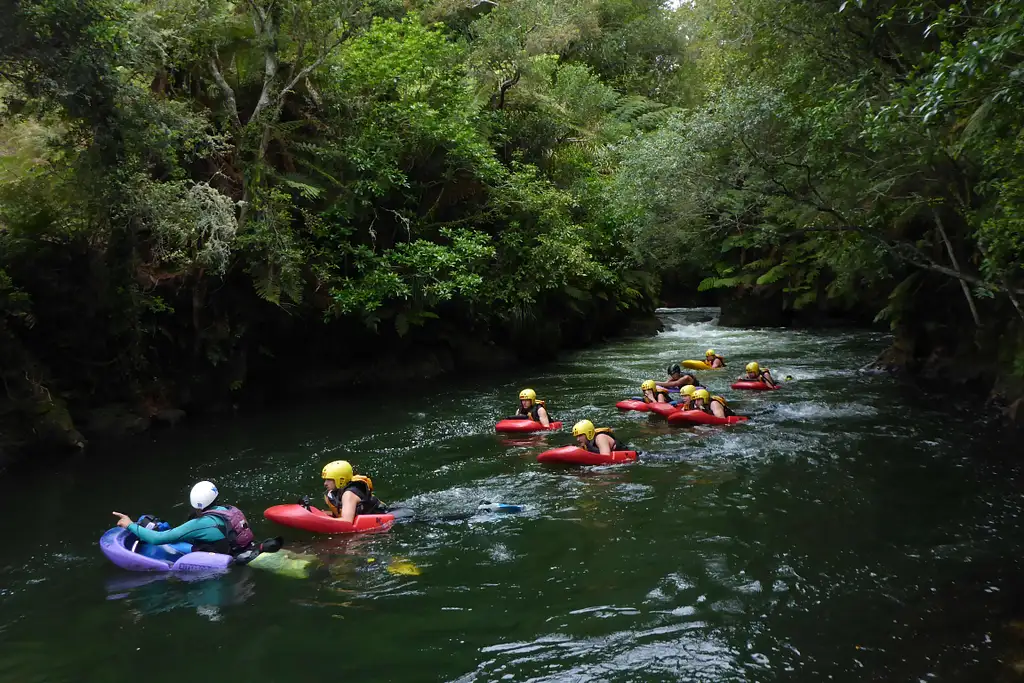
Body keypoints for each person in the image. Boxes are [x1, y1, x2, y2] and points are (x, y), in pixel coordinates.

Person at [111, 481, 255, 556]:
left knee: (165, 543)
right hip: (242, 549)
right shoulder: (230, 510)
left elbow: (157, 539)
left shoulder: (201, 523)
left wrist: (129, 524)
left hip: (225, 558)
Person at [321, 460, 388, 523]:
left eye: (329, 479)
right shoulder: (336, 492)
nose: (325, 483)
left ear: (341, 480)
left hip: (387, 516)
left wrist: (323, 521)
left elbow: (347, 522)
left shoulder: (349, 494)